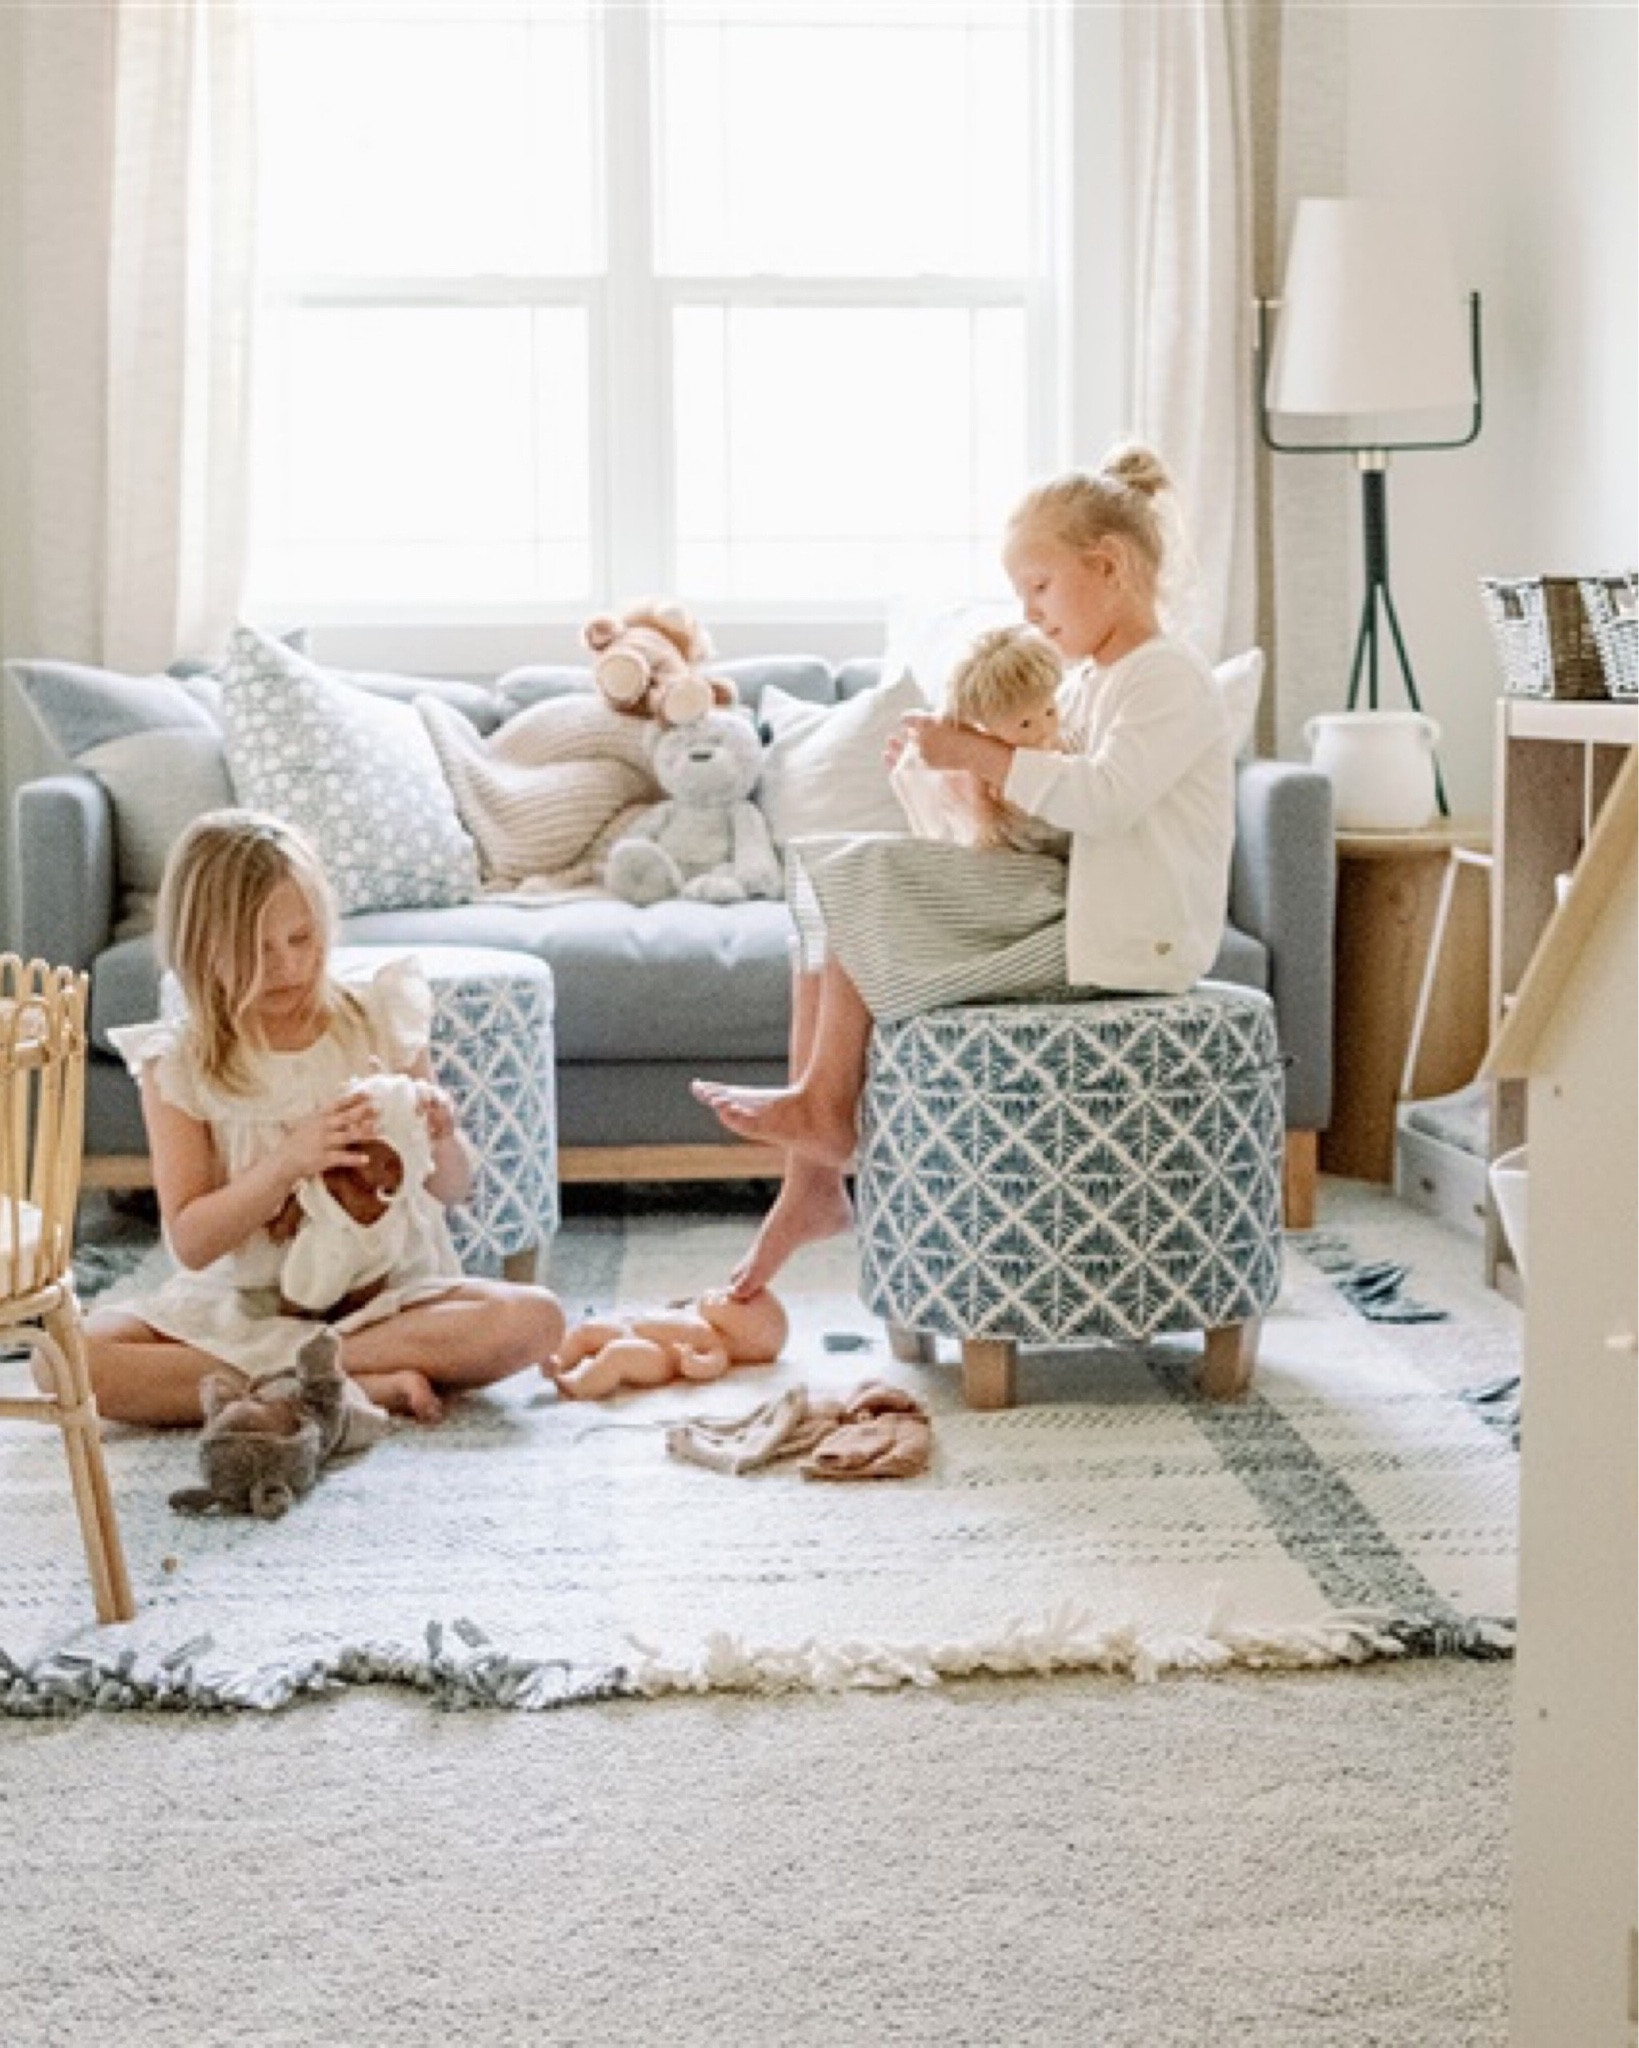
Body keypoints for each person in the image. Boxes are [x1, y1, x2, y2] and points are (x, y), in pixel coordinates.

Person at [692, 441, 1237, 1297]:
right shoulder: (1094, 679)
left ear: (1107, 566)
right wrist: (954, 772)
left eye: (1040, 587)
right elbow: (1058, 818)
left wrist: (982, 757)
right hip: (1075, 907)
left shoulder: (1163, 677)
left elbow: (1103, 801)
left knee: (859, 874)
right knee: (836, 882)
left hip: (1131, 935)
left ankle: (821, 1129)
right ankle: (814, 1167)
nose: (1029, 612)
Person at [84, 810, 565, 1431]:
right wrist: (288, 1162)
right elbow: (193, 1243)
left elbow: (453, 1189)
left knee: (535, 1319)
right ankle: (340, 1380)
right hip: (247, 1310)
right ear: (201, 948)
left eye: (302, 938)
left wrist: (441, 1136)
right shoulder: (179, 1063)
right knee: (74, 1362)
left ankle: (303, 1380)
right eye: (257, 948)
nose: (286, 965)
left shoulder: (375, 1017)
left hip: (387, 1306)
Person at [890, 623, 1071, 855]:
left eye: (1050, 711)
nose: (1044, 729)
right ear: (988, 726)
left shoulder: (1061, 746)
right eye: (1025, 724)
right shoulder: (986, 763)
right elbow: (985, 818)